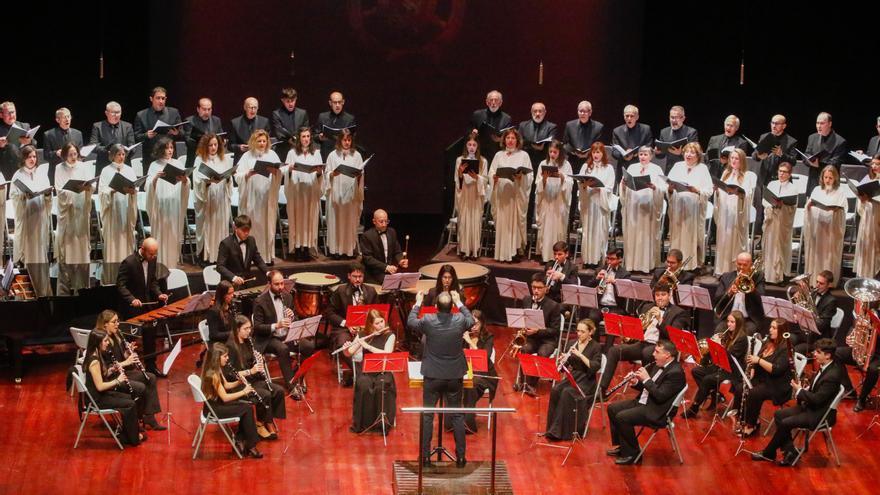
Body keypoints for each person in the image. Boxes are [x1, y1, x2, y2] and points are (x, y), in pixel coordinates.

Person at [407, 290, 475, 468]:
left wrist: (418, 302)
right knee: (457, 416)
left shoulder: (429, 320)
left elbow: (411, 321)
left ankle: (425, 458)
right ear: (452, 307)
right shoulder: (460, 319)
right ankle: (461, 458)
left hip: (433, 375)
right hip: (454, 375)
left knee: (428, 415)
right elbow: (472, 320)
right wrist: (460, 302)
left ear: (436, 307)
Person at [752, 338, 843, 466]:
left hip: (820, 414)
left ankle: (769, 452)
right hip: (812, 407)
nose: (814, 354)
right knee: (779, 414)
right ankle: (790, 452)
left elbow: (817, 400)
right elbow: (816, 392)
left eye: (818, 352)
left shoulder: (832, 375)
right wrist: (805, 389)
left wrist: (800, 391)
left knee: (785, 423)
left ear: (827, 355)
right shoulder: (825, 366)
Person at [606, 340, 686, 465]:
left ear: (667, 355)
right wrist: (637, 383)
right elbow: (648, 388)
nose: (653, 354)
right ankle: (623, 446)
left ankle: (632, 454)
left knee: (622, 417)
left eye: (657, 352)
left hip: (658, 411)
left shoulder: (676, 373)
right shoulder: (657, 364)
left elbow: (660, 396)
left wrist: (646, 379)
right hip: (645, 402)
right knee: (612, 408)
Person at [599, 283, 688, 395]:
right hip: (642, 344)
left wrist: (660, 321)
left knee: (647, 353)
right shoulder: (647, 307)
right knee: (614, 351)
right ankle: (602, 390)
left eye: (663, 295)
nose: (660, 298)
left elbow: (673, 336)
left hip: (661, 347)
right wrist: (628, 336)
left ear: (669, 295)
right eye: (657, 295)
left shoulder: (678, 313)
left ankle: (646, 391)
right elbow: (639, 328)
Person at [97, 310, 165, 431]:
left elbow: (120, 356)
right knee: (140, 387)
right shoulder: (102, 340)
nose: (117, 324)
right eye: (114, 322)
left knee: (150, 377)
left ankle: (149, 416)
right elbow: (106, 369)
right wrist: (126, 362)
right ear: (105, 324)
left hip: (122, 372)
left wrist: (128, 353)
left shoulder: (116, 335)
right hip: (112, 378)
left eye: (117, 321)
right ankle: (136, 420)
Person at [226, 315, 286, 440]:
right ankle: (260, 424)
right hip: (239, 384)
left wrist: (259, 361)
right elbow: (230, 374)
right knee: (265, 394)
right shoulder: (230, 347)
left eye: (250, 328)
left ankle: (267, 420)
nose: (249, 331)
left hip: (252, 379)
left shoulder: (249, 341)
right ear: (237, 330)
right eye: (245, 329)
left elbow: (251, 361)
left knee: (278, 391)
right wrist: (250, 371)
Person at [82, 328, 145, 446]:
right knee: (130, 404)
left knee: (129, 398)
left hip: (101, 395)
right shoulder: (94, 361)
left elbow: (103, 375)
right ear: (97, 342)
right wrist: (118, 380)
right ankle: (132, 438)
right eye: (105, 341)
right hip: (97, 399)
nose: (107, 343)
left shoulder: (96, 354)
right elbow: (100, 386)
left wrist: (112, 369)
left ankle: (127, 434)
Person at [200, 343, 263, 458]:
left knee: (247, 406)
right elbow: (225, 397)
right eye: (225, 356)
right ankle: (251, 445)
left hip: (216, 405)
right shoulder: (213, 374)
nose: (227, 358)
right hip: (214, 409)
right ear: (216, 357)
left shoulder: (216, 368)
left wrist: (239, 382)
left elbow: (226, 385)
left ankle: (241, 440)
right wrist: (244, 391)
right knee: (247, 408)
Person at [116, 238, 169, 375]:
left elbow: (152, 282)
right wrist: (132, 299)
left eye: (155, 254)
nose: (153, 257)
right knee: (130, 341)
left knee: (150, 337)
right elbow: (121, 285)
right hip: (132, 309)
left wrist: (159, 294)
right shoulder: (128, 263)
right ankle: (129, 370)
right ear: (142, 249)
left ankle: (151, 366)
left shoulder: (152, 260)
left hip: (147, 306)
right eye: (151, 254)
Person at [543, 319, 602, 441]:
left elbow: (595, 366)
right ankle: (551, 428)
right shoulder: (572, 343)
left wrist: (580, 355)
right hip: (573, 376)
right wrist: (562, 361)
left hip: (587, 380)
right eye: (578, 331)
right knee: (555, 389)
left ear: (590, 332)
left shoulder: (596, 346)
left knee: (567, 393)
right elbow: (565, 367)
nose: (579, 334)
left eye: (583, 332)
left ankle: (560, 431)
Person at [733, 318, 793, 437]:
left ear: (782, 331)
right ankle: (741, 418)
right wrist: (753, 367)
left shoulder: (787, 348)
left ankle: (751, 424)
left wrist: (758, 360)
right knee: (740, 388)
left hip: (776, 384)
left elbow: (776, 369)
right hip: (763, 379)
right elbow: (757, 358)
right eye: (771, 327)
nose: (770, 330)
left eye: (774, 328)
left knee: (754, 393)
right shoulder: (768, 342)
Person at [684, 310, 748, 417]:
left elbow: (730, 358)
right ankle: (714, 395)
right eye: (728, 321)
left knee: (707, 380)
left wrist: (718, 347)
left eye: (732, 322)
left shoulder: (742, 339)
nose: (729, 324)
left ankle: (694, 408)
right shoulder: (727, 335)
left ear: (739, 324)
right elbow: (717, 357)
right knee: (696, 371)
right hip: (720, 366)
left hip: (732, 370)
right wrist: (712, 345)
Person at [344, 309, 397, 433]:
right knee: (363, 385)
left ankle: (382, 424)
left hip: (384, 370)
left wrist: (368, 347)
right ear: (371, 324)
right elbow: (349, 353)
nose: (381, 325)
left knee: (381, 386)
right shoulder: (363, 334)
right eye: (377, 323)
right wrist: (346, 348)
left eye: (382, 321)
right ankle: (364, 423)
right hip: (367, 371)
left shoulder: (390, 335)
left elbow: (387, 353)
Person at [10, 145, 53, 297]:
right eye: (29, 157)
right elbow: (14, 197)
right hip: (28, 219)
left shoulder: (41, 174)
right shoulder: (18, 175)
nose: (32, 159)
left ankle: (44, 291)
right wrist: (23, 197)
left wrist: (47, 195)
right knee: (29, 253)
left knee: (41, 253)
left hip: (40, 217)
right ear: (23, 158)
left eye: (34, 156)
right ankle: (30, 291)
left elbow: (47, 194)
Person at [251, 270, 303, 392]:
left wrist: (292, 317)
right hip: (269, 338)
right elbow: (257, 328)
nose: (281, 287)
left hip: (287, 335)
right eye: (277, 284)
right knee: (282, 349)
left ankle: (296, 377)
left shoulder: (288, 297)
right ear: (269, 283)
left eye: (282, 283)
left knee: (308, 346)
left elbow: (295, 319)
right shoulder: (260, 301)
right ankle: (292, 387)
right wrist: (276, 325)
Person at [235, 129, 282, 263]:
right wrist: (247, 174)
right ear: (253, 141)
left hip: (267, 197)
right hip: (252, 198)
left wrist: (275, 172)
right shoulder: (247, 156)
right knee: (252, 226)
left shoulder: (272, 155)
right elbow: (237, 175)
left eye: (264, 141)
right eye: (259, 141)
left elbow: (280, 172)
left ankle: (266, 257)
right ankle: (250, 257)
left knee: (267, 226)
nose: (262, 143)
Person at [326, 262, 378, 382]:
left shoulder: (371, 291)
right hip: (344, 328)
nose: (358, 279)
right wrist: (347, 323)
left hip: (366, 328)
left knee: (378, 341)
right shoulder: (340, 291)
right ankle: (360, 375)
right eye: (355, 276)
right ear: (349, 276)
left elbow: (377, 313)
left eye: (360, 277)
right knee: (344, 344)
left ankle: (371, 371)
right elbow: (330, 313)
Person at [665, 142, 712, 270]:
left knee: (691, 237)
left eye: (692, 152)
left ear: (698, 155)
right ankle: (674, 263)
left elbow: (709, 190)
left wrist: (696, 190)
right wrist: (669, 188)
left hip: (693, 210)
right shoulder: (677, 166)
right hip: (678, 208)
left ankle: (690, 265)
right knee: (677, 236)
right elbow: (667, 186)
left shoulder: (702, 168)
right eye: (686, 152)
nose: (688, 155)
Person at [54, 143, 93, 295]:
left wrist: (87, 188)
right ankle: (66, 287)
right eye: (70, 154)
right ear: (64, 155)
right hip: (67, 213)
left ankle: (83, 287)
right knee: (68, 248)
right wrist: (73, 191)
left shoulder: (83, 167)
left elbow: (92, 185)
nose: (73, 157)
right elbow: (59, 189)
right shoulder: (59, 168)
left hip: (81, 210)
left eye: (75, 154)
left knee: (82, 247)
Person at [489, 128, 532, 262]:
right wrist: (494, 178)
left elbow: (530, 176)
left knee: (514, 223)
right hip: (502, 196)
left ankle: (514, 252)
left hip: (515, 196)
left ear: (517, 140)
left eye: (513, 138)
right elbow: (491, 172)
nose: (510, 140)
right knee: (503, 224)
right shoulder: (498, 155)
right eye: (508, 138)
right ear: (504, 140)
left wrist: (521, 177)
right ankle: (501, 254)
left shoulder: (523, 155)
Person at [145, 136, 189, 269]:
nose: (170, 150)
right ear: (161, 149)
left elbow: (186, 184)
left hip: (174, 205)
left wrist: (185, 181)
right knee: (161, 236)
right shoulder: (154, 165)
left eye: (171, 147)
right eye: (167, 147)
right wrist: (155, 179)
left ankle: (172, 266)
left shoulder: (178, 163)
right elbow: (148, 186)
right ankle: (158, 266)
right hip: (160, 207)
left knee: (174, 235)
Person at [514, 273, 562, 394]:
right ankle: (522, 381)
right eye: (534, 287)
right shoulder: (526, 300)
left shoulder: (554, 305)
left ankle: (531, 384)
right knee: (525, 349)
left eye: (539, 288)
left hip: (547, 340)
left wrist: (538, 330)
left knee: (542, 353)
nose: (536, 291)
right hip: (531, 338)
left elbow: (555, 330)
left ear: (546, 288)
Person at [620, 146, 664, 273]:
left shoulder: (657, 169)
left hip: (648, 207)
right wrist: (623, 185)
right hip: (634, 206)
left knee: (645, 235)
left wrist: (655, 187)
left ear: (651, 156)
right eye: (640, 154)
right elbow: (625, 185)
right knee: (633, 234)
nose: (642, 157)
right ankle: (632, 265)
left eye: (645, 154)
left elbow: (662, 188)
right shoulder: (632, 168)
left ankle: (646, 265)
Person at [752, 114, 798, 235]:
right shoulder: (764, 136)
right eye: (772, 123)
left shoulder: (791, 141)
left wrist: (782, 154)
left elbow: (793, 161)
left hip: (780, 180)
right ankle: (762, 237)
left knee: (778, 210)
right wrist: (758, 155)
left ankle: (778, 236)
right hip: (764, 178)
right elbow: (754, 155)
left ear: (784, 126)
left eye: (777, 123)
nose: (774, 125)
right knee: (762, 209)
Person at [98, 143, 138, 284]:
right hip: (112, 212)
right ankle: (112, 277)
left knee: (126, 242)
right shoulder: (106, 170)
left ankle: (127, 277)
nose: (121, 157)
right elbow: (102, 192)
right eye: (118, 154)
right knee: (113, 244)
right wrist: (112, 190)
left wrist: (133, 191)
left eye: (123, 154)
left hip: (126, 210)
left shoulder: (129, 170)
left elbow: (135, 187)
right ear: (112, 155)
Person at [713, 148, 757, 275]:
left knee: (735, 240)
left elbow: (748, 195)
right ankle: (722, 270)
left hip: (737, 215)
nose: (733, 160)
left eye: (736, 158)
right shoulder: (726, 173)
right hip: (725, 212)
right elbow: (721, 192)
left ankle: (735, 271)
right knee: (724, 239)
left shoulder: (748, 176)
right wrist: (717, 191)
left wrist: (739, 194)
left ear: (742, 160)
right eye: (732, 158)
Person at [192, 133, 234, 264]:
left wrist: (227, 178)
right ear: (205, 146)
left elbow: (229, 178)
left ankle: (220, 256)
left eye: (216, 144)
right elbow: (197, 180)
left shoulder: (224, 159)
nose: (213, 147)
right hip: (207, 199)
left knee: (220, 226)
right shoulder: (200, 159)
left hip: (220, 198)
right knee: (207, 227)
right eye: (210, 145)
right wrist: (207, 182)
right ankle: (206, 257)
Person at [803, 165, 847, 285]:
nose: (827, 180)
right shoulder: (817, 190)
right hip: (817, 229)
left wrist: (834, 210)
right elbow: (808, 207)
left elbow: (842, 212)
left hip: (831, 232)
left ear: (835, 179)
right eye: (825, 177)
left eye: (830, 178)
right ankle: (814, 280)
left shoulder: (840, 192)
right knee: (816, 254)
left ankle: (828, 282)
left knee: (829, 255)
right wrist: (809, 207)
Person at [284, 126, 323, 261]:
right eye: (303, 137)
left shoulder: (316, 153)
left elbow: (320, 174)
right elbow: (286, 171)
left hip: (310, 191)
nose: (306, 139)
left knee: (309, 219)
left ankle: (307, 248)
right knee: (298, 219)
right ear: (299, 139)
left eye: (307, 136)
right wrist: (289, 169)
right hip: (297, 191)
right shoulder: (292, 153)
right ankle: (297, 248)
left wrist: (319, 172)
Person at [325, 129, 365, 259]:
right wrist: (332, 174)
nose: (347, 142)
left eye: (349, 140)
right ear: (340, 140)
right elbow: (327, 172)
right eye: (344, 140)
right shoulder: (332, 155)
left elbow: (361, 172)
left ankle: (348, 250)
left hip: (350, 195)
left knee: (349, 221)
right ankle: (336, 250)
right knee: (336, 221)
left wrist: (360, 175)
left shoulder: (357, 155)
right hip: (337, 195)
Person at [577, 142, 616, 267]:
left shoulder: (609, 168)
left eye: (598, 152)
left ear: (603, 153)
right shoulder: (585, 167)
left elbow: (610, 188)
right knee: (588, 232)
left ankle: (599, 259)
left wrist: (600, 189)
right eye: (594, 152)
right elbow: (580, 184)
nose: (596, 155)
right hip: (588, 203)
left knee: (599, 231)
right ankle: (588, 259)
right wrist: (584, 185)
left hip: (600, 205)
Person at [761, 160, 798, 284]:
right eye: (780, 171)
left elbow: (792, 206)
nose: (781, 174)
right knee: (770, 246)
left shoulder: (793, 188)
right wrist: (771, 205)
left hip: (782, 223)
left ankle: (781, 275)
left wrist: (782, 205)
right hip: (772, 220)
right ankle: (768, 274)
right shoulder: (772, 184)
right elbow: (765, 200)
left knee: (781, 248)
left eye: (785, 172)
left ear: (789, 174)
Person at [534, 141, 573, 262]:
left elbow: (570, 183)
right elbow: (538, 184)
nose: (552, 154)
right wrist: (544, 179)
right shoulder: (543, 163)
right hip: (547, 200)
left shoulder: (566, 165)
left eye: (555, 152)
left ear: (560, 152)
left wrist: (562, 178)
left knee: (558, 228)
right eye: (550, 151)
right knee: (545, 229)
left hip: (559, 202)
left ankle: (558, 256)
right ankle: (545, 255)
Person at [460, 309, 497, 433]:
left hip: (485, 374)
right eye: (471, 323)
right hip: (466, 372)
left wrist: (470, 342)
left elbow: (485, 357)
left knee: (471, 385)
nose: (473, 327)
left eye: (476, 324)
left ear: (482, 323)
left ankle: (468, 424)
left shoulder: (488, 337)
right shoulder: (463, 335)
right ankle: (453, 421)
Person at [586, 248, 631, 348]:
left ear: (620, 259)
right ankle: (595, 346)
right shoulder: (599, 270)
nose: (609, 262)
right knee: (592, 316)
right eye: (608, 259)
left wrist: (615, 282)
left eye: (612, 259)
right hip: (600, 305)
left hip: (616, 307)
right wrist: (596, 279)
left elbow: (626, 293)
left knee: (612, 319)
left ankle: (608, 349)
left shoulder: (625, 274)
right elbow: (587, 287)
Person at [454, 133, 489, 260]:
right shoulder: (459, 160)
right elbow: (457, 182)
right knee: (464, 221)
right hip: (464, 195)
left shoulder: (483, 161)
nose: (472, 147)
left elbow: (485, 180)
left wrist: (477, 177)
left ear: (478, 146)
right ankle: (464, 250)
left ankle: (474, 250)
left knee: (474, 221)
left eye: (474, 145)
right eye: (469, 145)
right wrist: (460, 173)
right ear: (466, 146)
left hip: (475, 195)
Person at [714, 252, 765, 334]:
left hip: (748, 319)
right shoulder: (726, 276)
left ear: (751, 265)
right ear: (735, 263)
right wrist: (729, 292)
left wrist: (751, 289)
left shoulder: (758, 277)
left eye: (745, 265)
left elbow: (762, 299)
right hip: (728, 318)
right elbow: (717, 299)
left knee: (744, 335)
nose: (741, 267)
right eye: (739, 264)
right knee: (718, 332)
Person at [216, 214, 271, 287]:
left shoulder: (251, 240)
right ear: (235, 228)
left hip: (247, 283)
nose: (246, 233)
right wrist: (234, 278)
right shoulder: (226, 243)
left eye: (248, 230)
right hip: (231, 285)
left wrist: (268, 273)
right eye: (243, 230)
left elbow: (258, 259)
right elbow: (220, 266)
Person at [792, 270, 838, 354]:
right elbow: (800, 308)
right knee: (786, 341)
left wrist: (803, 318)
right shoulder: (812, 294)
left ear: (829, 285)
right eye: (817, 282)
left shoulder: (831, 301)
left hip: (818, 338)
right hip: (805, 334)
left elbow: (821, 325)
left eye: (821, 283)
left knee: (794, 351)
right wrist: (797, 299)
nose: (817, 285)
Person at [133, 86, 183, 164]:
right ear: (151, 99)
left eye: (163, 98)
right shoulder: (141, 115)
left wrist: (177, 133)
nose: (161, 101)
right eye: (158, 98)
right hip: (150, 157)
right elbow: (136, 137)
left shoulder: (174, 112)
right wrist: (146, 135)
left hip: (170, 157)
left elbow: (182, 134)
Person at [803, 112, 848, 194]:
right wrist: (810, 161)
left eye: (822, 123)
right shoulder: (812, 137)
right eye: (817, 123)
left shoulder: (840, 141)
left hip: (830, 182)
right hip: (813, 180)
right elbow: (806, 155)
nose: (819, 126)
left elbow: (836, 162)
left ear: (830, 124)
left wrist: (818, 163)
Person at [360, 209, 409, 284]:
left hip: (389, 272)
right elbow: (368, 258)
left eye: (386, 221)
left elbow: (397, 251)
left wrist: (400, 260)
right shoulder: (367, 236)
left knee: (405, 282)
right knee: (394, 284)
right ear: (374, 221)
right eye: (381, 221)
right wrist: (386, 267)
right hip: (374, 273)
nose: (384, 224)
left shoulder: (391, 232)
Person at [89, 101, 136, 172]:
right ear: (106, 113)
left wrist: (126, 150)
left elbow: (133, 147)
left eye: (118, 112)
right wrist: (107, 150)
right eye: (113, 112)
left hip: (123, 166)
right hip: (104, 165)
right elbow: (93, 146)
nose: (116, 115)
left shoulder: (128, 126)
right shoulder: (97, 126)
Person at [854, 155, 880, 278]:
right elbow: (860, 199)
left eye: (877, 164)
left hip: (877, 217)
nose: (874, 166)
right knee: (865, 244)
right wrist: (862, 199)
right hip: (867, 217)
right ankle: (863, 275)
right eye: (873, 164)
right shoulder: (867, 178)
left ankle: (874, 275)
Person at [610, 104, 654, 174]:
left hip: (641, 166)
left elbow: (649, 147)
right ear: (624, 117)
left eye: (632, 116)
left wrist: (635, 154)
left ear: (637, 117)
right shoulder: (617, 131)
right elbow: (614, 152)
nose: (629, 118)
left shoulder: (645, 129)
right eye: (627, 116)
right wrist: (623, 156)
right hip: (623, 167)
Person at [42, 107, 84, 179]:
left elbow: (81, 153)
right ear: (57, 120)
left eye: (68, 116)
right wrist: (56, 153)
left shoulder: (78, 134)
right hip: (57, 173)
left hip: (75, 172)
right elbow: (46, 155)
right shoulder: (49, 134)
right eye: (64, 117)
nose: (67, 119)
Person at [654, 105, 699, 172]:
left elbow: (695, 153)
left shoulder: (691, 132)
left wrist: (681, 153)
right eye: (672, 117)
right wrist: (657, 152)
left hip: (687, 168)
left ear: (683, 118)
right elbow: (661, 156)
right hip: (670, 169)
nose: (674, 120)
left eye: (677, 118)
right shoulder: (664, 132)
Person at [184, 98, 224, 168]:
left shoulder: (216, 120)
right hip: (195, 159)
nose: (207, 112)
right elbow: (188, 141)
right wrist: (205, 142)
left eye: (209, 109)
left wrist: (223, 141)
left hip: (213, 160)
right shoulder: (190, 121)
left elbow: (220, 138)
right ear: (198, 109)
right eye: (204, 109)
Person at [0, 101, 36, 180]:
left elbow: (35, 143)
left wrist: (29, 141)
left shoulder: (24, 126)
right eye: (8, 113)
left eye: (13, 112)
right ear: (1, 115)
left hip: (25, 168)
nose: (11, 115)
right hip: (7, 170)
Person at [228, 97, 271, 163]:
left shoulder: (264, 122)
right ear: (245, 107)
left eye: (255, 107)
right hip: (241, 159)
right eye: (250, 107)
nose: (253, 110)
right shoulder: (235, 123)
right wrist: (239, 147)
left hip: (260, 159)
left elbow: (268, 142)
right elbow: (230, 146)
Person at [316, 91, 357, 160]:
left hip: (343, 155)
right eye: (335, 102)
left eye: (339, 102)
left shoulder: (350, 119)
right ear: (330, 103)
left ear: (343, 102)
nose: (337, 105)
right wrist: (319, 137)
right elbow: (315, 135)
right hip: (326, 154)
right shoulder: (322, 117)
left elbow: (353, 139)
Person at [272, 87, 310, 160]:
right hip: (283, 150)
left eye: (292, 101)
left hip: (300, 150)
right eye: (288, 101)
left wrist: (298, 141)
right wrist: (290, 140)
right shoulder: (276, 114)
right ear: (282, 100)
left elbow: (305, 131)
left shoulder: (303, 113)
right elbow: (278, 132)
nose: (290, 104)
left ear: (296, 99)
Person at [562, 100, 604, 166]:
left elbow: (599, 146)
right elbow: (565, 144)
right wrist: (574, 152)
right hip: (573, 160)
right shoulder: (570, 125)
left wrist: (588, 153)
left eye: (584, 111)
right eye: (580, 111)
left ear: (590, 113)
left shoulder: (598, 127)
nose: (582, 113)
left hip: (591, 161)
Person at [470, 90, 512, 155]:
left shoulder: (506, 118)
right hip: (479, 151)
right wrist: (473, 133)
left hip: (498, 151)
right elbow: (469, 130)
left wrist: (500, 139)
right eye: (491, 100)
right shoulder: (477, 115)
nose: (493, 102)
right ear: (487, 102)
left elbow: (509, 136)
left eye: (496, 100)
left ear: (500, 103)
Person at [518, 101, 557, 166]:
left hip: (544, 160)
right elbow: (518, 142)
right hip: (526, 160)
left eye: (540, 111)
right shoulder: (523, 125)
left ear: (545, 112)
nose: (537, 114)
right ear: (531, 112)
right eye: (535, 111)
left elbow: (552, 144)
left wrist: (543, 147)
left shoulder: (551, 127)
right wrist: (531, 145)